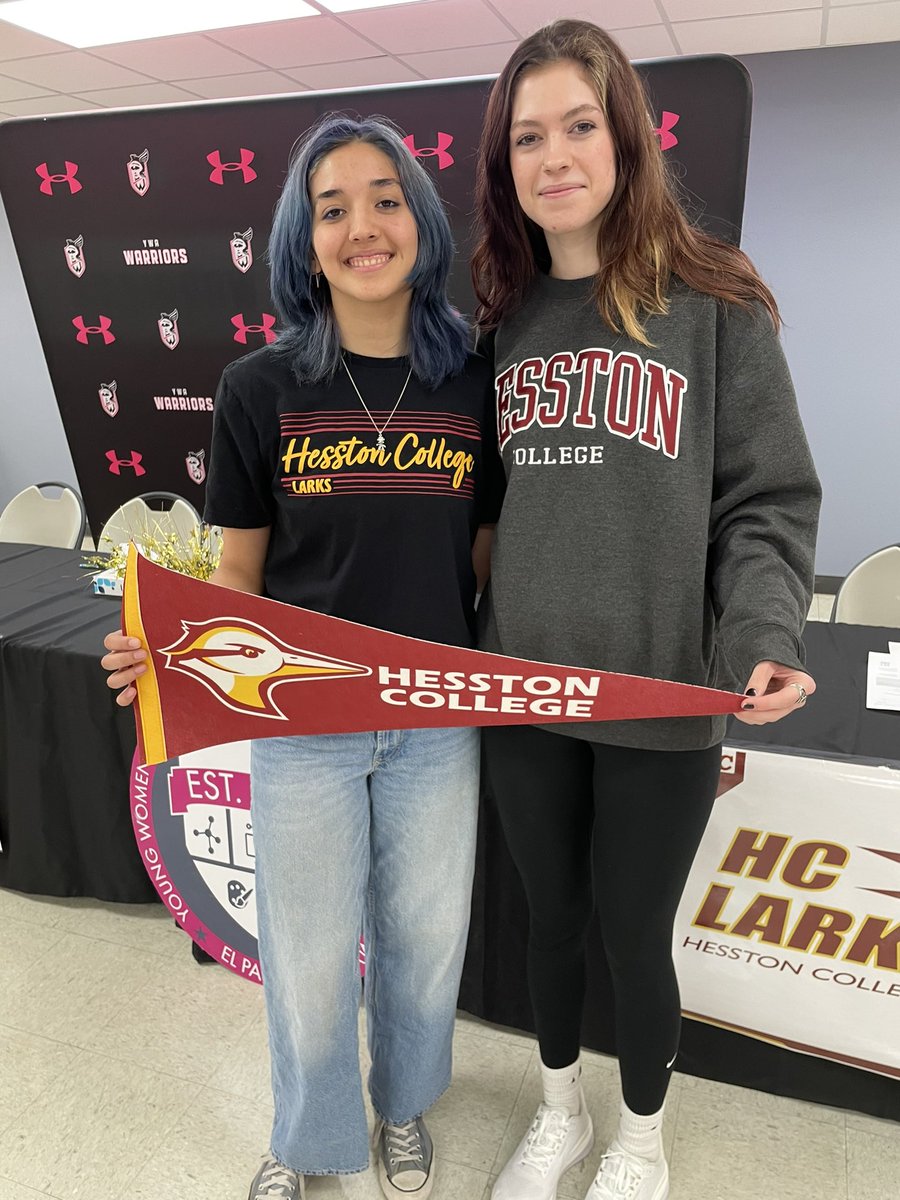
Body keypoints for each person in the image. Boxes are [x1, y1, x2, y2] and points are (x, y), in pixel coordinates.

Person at [102, 113, 504, 1200]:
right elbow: (239, 580)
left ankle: (404, 1108)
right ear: (304, 238)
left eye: (385, 200)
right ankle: (310, 1132)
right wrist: (170, 653)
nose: (363, 226)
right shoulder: (258, 388)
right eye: (333, 209)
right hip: (300, 722)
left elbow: (481, 561)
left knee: (424, 941)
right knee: (312, 952)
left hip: (434, 717)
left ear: (419, 222)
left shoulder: (476, 378)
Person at [470, 20, 821, 1200]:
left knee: (634, 937)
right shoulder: (498, 321)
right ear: (503, 162)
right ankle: (560, 1109)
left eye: (579, 126)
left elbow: (765, 503)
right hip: (525, 695)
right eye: (528, 135)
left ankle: (639, 1135)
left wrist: (763, 637)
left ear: (627, 140)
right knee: (548, 927)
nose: (554, 155)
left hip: (660, 698)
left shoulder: (714, 305)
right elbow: (480, 513)